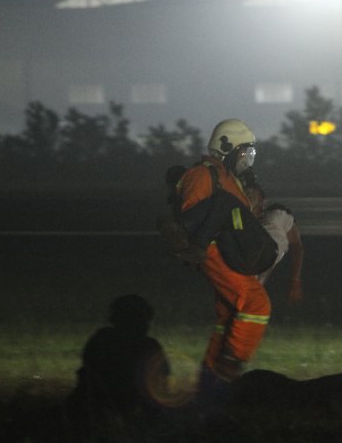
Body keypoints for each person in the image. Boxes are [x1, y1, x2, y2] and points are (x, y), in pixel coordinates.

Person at [175, 119, 270, 388]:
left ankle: (209, 376)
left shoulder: (228, 178)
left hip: (229, 249)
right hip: (215, 250)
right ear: (226, 147)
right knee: (255, 304)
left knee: (229, 314)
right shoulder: (203, 174)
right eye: (244, 154)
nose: (247, 162)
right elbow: (192, 215)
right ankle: (229, 369)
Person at [67, 295, 170, 437]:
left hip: (99, 398)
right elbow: (162, 382)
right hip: (116, 398)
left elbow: (87, 367)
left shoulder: (103, 338)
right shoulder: (149, 345)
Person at [245, 182, 304, 304]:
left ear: (262, 199)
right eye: (246, 193)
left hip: (267, 255)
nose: (249, 195)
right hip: (247, 263)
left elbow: (297, 247)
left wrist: (295, 280)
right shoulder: (239, 220)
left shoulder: (276, 214)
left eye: (252, 192)